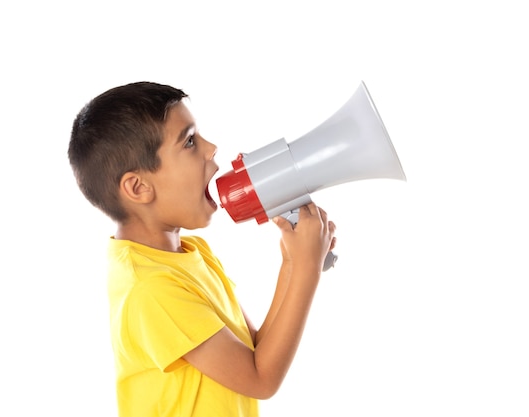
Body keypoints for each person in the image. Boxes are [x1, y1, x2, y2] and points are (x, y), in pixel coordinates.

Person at [68, 81, 336, 416]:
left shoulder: (191, 252)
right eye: (190, 141)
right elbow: (260, 379)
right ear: (138, 187)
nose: (211, 148)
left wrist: (294, 262)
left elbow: (254, 350)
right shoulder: (151, 290)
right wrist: (307, 271)